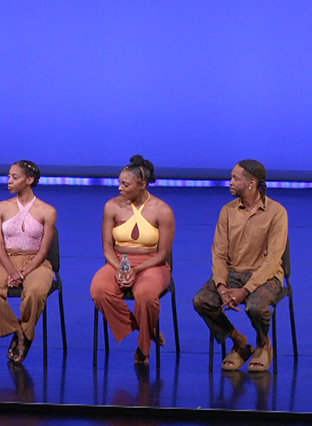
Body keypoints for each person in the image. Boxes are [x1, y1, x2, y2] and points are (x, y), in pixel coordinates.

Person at [192, 160, 287, 372]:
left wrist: (245, 290)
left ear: (252, 183)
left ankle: (263, 344)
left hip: (266, 276)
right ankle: (240, 342)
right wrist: (221, 287)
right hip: (234, 273)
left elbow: (272, 260)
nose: (230, 182)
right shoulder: (227, 211)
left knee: (255, 306)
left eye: (236, 178)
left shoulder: (277, 212)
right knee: (202, 300)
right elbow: (219, 254)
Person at [90, 155, 174, 365]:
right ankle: (145, 326)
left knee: (145, 296)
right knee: (99, 291)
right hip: (119, 260)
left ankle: (143, 347)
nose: (120, 188)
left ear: (142, 184)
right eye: (119, 183)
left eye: (125, 184)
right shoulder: (112, 206)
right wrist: (120, 268)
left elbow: (163, 253)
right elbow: (107, 247)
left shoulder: (162, 210)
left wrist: (136, 271)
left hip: (152, 263)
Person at [0, 160, 57, 364]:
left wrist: (24, 272)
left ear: (29, 180)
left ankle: (26, 330)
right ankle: (19, 331)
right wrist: (12, 271)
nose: (9, 180)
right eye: (9, 176)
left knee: (36, 291)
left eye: (15, 177)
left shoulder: (47, 211)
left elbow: (44, 250)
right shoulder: (1, 207)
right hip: (7, 261)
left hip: (37, 263)